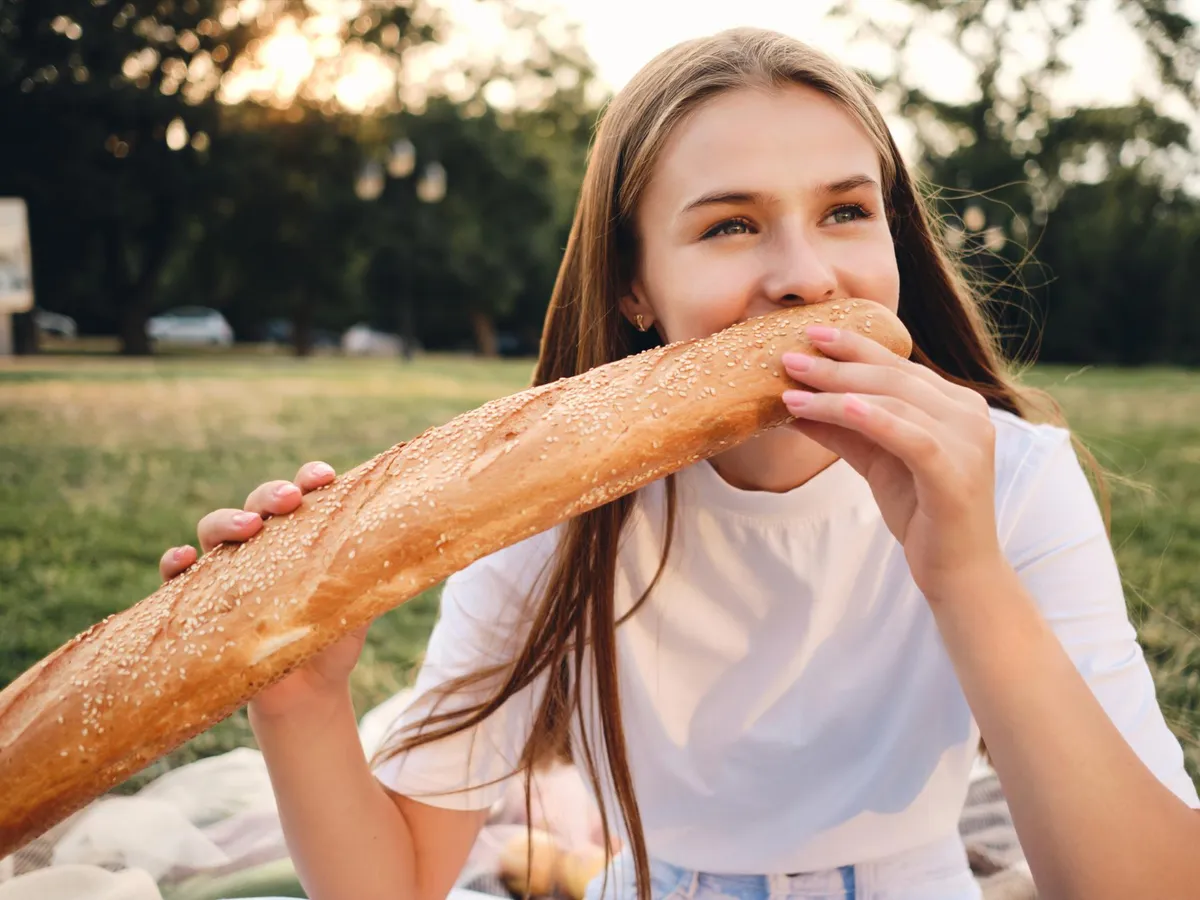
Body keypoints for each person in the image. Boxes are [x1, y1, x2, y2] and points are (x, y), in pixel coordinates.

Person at [159, 27, 1200, 900]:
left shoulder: (1011, 477)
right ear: (633, 290)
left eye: (846, 209)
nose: (803, 276)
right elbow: (395, 879)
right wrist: (300, 703)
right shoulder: (551, 512)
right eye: (732, 226)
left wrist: (965, 569)